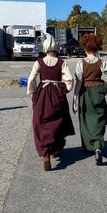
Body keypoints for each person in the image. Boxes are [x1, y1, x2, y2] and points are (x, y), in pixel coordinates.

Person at [27, 34, 75, 171]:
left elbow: (31, 79)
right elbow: (70, 79)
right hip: (57, 92)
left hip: (42, 92)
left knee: (41, 121)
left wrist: (33, 93)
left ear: (45, 48)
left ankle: (46, 152)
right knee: (59, 120)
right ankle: (55, 150)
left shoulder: (39, 62)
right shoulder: (61, 62)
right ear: (56, 48)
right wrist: (65, 89)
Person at [72, 34, 107, 165]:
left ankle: (88, 146)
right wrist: (104, 85)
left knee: (85, 121)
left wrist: (75, 99)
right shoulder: (102, 62)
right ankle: (98, 147)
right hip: (98, 94)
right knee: (98, 120)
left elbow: (79, 82)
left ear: (85, 48)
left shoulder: (80, 63)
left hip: (85, 94)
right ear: (97, 48)